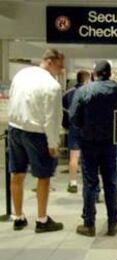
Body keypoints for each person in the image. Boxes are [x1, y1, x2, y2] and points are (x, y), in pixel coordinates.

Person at [8, 48, 65, 233]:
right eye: (59, 64)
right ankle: (42, 220)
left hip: (15, 128)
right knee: (44, 177)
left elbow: (12, 99)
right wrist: (53, 143)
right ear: (49, 61)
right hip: (37, 134)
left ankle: (18, 217)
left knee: (17, 173)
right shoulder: (52, 85)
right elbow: (52, 118)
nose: (62, 68)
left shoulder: (22, 74)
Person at [70, 60, 117, 237]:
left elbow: (74, 116)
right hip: (110, 141)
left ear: (94, 74)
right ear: (109, 73)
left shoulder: (84, 90)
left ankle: (89, 223)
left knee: (90, 182)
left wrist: (84, 127)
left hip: (89, 142)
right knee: (111, 181)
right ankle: (112, 222)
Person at [62, 70, 91, 193]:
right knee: (89, 157)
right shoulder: (91, 92)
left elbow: (63, 109)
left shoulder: (68, 93)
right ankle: (88, 182)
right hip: (88, 128)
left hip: (74, 127)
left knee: (74, 156)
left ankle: (72, 183)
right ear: (87, 79)